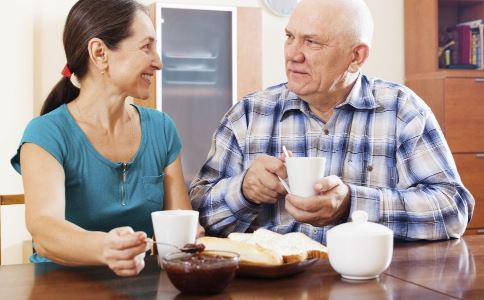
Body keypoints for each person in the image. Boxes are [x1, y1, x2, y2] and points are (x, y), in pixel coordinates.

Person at [190, 0, 475, 242]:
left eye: (311, 42)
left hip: (369, 283)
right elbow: (196, 214)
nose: (293, 54)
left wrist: (352, 203)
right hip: (272, 287)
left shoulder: (401, 110)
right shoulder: (249, 114)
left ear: (356, 56)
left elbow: (453, 209)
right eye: (290, 37)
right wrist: (243, 191)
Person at [11, 0, 200, 277]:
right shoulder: (46, 134)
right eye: (146, 47)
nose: (158, 61)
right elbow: (44, 228)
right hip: (61, 288)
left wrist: (193, 235)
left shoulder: (162, 128)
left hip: (140, 287)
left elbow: (181, 224)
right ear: (100, 53)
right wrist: (105, 248)